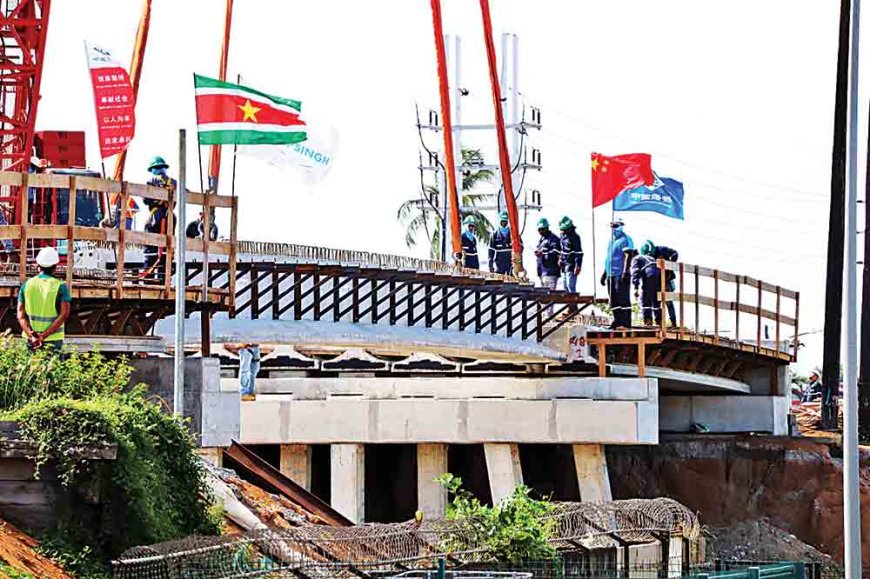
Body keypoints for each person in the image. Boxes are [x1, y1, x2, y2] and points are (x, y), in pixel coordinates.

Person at [16, 247, 71, 352]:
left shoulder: (26, 285)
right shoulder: (60, 286)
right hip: (53, 339)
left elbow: (20, 315)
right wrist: (43, 336)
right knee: (55, 368)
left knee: (29, 367)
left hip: (30, 339)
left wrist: (32, 336)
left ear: (38, 266)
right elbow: (64, 314)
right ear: (55, 267)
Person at [143, 156, 176, 281]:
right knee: (167, 248)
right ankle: (164, 279)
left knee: (150, 248)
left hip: (155, 216)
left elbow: (146, 200)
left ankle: (148, 278)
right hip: (170, 217)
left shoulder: (151, 181)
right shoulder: (173, 183)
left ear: (153, 169)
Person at [600, 219, 634, 329]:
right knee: (613, 299)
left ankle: (625, 322)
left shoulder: (625, 239)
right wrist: (604, 274)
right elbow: (609, 258)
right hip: (611, 273)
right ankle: (617, 321)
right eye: (612, 226)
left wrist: (625, 271)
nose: (613, 228)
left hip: (621, 273)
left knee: (622, 298)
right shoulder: (611, 240)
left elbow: (628, 255)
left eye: (615, 226)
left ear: (620, 226)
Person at [644, 240, 679, 327]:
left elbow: (675, 254)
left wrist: (669, 265)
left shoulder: (662, 249)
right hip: (656, 280)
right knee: (656, 301)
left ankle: (673, 323)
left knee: (668, 301)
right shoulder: (647, 256)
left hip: (666, 278)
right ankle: (658, 322)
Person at [631, 243, 662, 326]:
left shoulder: (637, 258)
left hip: (649, 276)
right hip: (660, 277)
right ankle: (659, 322)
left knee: (645, 299)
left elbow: (635, 272)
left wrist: (636, 287)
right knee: (656, 300)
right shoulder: (652, 258)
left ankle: (648, 322)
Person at [558, 216, 583, 294]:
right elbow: (562, 250)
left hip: (571, 265)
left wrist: (578, 266)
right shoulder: (562, 236)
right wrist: (560, 259)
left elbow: (579, 253)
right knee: (565, 286)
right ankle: (569, 305)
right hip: (564, 264)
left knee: (570, 285)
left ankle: (574, 305)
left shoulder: (575, 237)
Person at [535, 217, 561, 292]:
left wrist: (543, 253)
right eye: (539, 229)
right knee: (544, 299)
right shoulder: (541, 240)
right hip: (543, 273)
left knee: (549, 297)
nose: (541, 231)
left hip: (551, 272)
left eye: (542, 229)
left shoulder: (554, 239)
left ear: (547, 228)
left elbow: (556, 253)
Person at [488, 210, 512, 275]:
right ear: (500, 221)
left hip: (511, 265)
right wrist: (490, 265)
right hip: (499, 266)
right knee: (500, 283)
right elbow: (491, 251)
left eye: (505, 221)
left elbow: (520, 247)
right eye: (502, 221)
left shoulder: (513, 234)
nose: (504, 223)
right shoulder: (494, 235)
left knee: (512, 283)